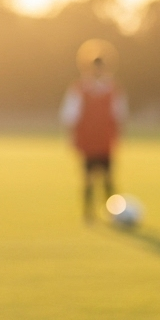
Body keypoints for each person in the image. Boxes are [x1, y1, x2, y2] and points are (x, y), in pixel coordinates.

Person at [60, 40, 127, 222]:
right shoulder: (79, 89)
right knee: (87, 178)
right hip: (87, 141)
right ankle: (88, 213)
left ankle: (112, 212)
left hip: (105, 140)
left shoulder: (112, 89)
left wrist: (118, 137)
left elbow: (119, 115)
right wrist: (71, 138)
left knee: (108, 178)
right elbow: (70, 115)